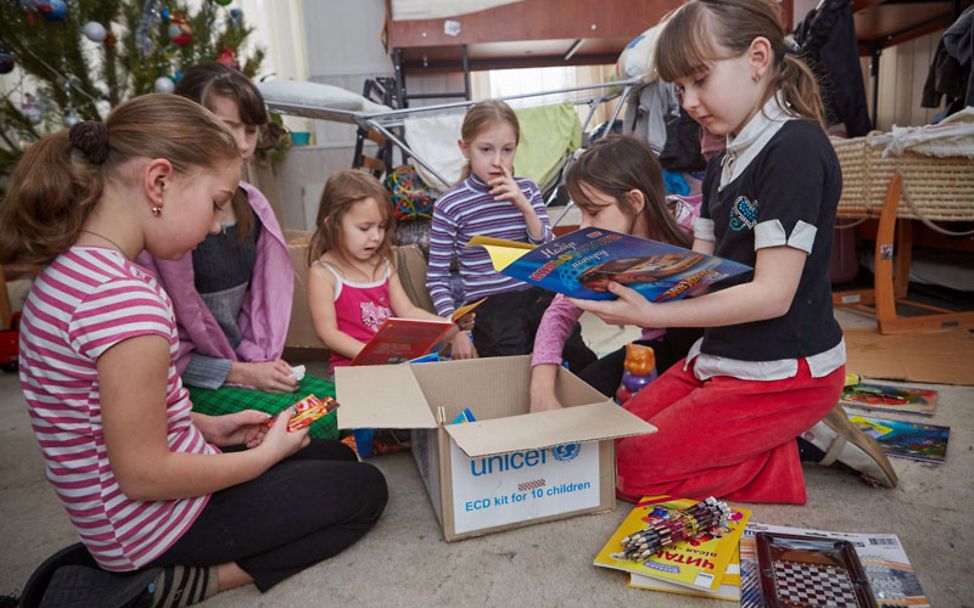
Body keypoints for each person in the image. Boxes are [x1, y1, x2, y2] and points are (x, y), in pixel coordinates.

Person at [0, 94, 387, 604]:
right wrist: (262, 458)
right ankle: (183, 581)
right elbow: (143, 474)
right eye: (216, 202)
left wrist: (206, 427)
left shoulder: (69, 274)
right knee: (364, 490)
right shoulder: (124, 298)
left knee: (330, 458)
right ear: (159, 182)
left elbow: (98, 419)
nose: (212, 226)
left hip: (116, 518)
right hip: (150, 527)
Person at [571, 0, 896, 504]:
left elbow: (772, 295)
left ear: (758, 57)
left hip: (784, 371)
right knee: (612, 443)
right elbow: (698, 271)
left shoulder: (795, 150)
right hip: (721, 355)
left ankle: (785, 450)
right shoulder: (723, 161)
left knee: (632, 474)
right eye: (680, 88)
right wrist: (625, 287)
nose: (690, 102)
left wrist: (656, 312)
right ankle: (766, 435)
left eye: (700, 80)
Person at [138, 62, 299, 395]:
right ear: (190, 125)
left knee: (329, 413)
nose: (242, 143)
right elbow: (155, 354)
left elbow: (259, 307)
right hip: (180, 383)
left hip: (247, 365)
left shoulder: (254, 206)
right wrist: (239, 373)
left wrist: (256, 364)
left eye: (251, 130)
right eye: (228, 127)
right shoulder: (158, 222)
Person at [529, 135, 703, 411]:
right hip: (660, 347)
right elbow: (559, 313)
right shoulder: (600, 250)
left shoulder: (695, 224)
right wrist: (541, 384)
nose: (584, 226)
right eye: (581, 212)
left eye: (594, 212)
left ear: (634, 202)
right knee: (585, 390)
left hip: (711, 346)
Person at [425, 100, 595, 367]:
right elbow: (437, 277)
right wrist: (453, 330)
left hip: (537, 294)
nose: (497, 161)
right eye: (485, 149)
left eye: (507, 150)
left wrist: (525, 208)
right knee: (510, 366)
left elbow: (550, 255)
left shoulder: (527, 190)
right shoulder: (450, 205)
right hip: (492, 308)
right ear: (465, 148)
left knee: (575, 354)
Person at [306, 170, 469, 370]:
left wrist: (449, 326)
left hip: (392, 364)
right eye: (365, 228)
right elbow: (328, 333)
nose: (376, 236)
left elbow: (407, 311)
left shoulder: (383, 264)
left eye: (381, 227)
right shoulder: (323, 273)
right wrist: (370, 355)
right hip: (352, 370)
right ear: (332, 224)